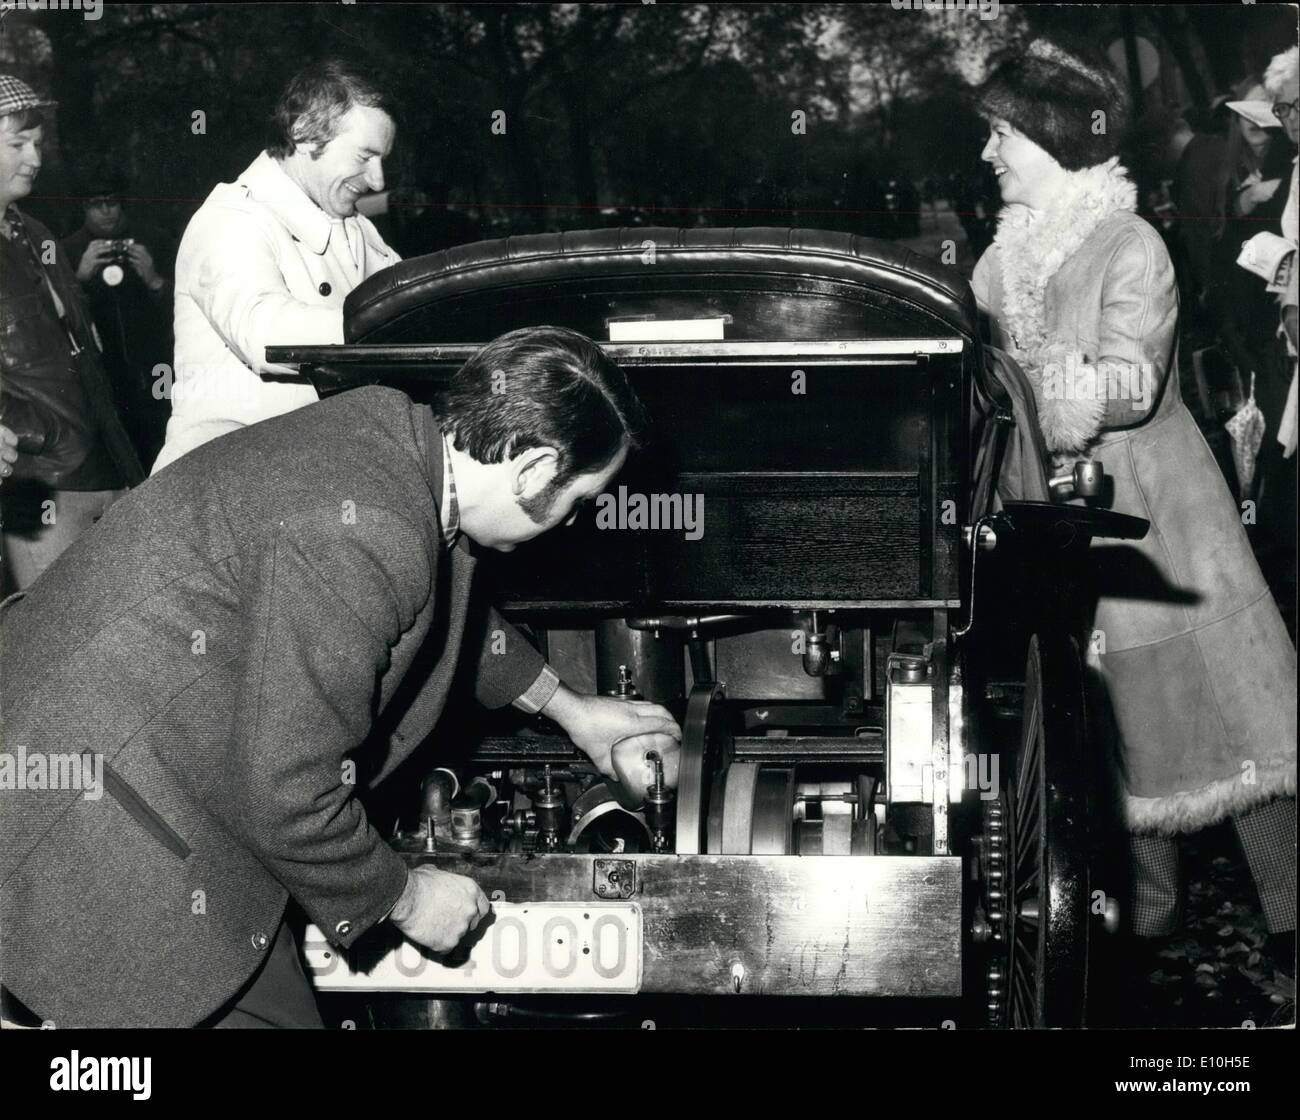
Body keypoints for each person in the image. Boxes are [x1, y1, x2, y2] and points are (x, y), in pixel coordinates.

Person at [0, 325, 683, 1029]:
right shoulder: (369, 528)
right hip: (96, 812)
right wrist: (407, 897)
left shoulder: (390, 434)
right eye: (575, 502)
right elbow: (288, 796)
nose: (569, 523)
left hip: (103, 742)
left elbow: (434, 607)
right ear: (535, 468)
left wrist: (569, 708)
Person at [969, 41, 1296, 979]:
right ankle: (1137, 931)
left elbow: (1130, 382)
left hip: (1157, 519)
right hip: (1064, 516)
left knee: (1239, 719)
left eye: (1001, 134)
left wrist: (1025, 390)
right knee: (1115, 722)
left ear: (1050, 137)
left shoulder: (1130, 243)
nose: (990, 154)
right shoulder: (1002, 262)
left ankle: (1291, 919)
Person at [152, 58, 401, 475]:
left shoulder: (356, 228)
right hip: (222, 483)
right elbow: (264, 332)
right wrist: (385, 326)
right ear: (304, 134)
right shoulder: (231, 217)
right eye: (364, 156)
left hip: (312, 471)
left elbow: (411, 298)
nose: (377, 181)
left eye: (382, 161)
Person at [0, 76, 143, 592]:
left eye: (37, 142)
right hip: (40, 488)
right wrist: (41, 434)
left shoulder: (38, 235)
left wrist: (124, 461)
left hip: (108, 468)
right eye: (18, 144)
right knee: (56, 653)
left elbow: (86, 352)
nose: (35, 157)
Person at [62, 171, 174, 466]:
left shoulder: (155, 239)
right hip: (104, 376)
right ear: (82, 207)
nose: (105, 211)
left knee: (165, 447)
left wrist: (154, 280)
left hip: (156, 369)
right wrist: (79, 278)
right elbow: (57, 322)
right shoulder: (67, 251)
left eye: (111, 201)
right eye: (95, 203)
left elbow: (182, 307)